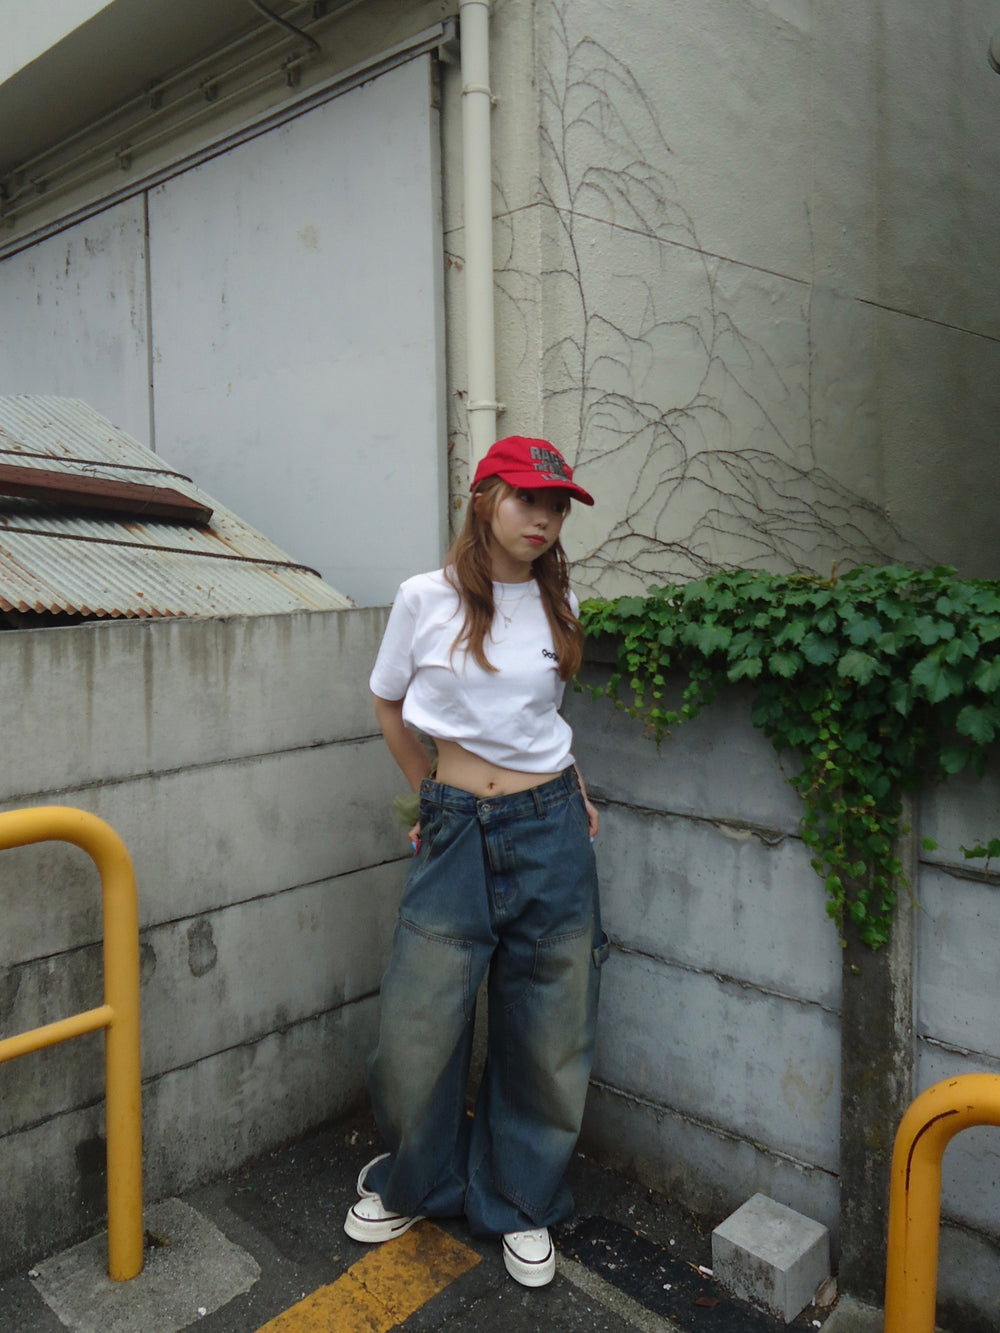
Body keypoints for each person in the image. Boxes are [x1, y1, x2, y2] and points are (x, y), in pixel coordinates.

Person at [344, 436, 608, 1288]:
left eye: (557, 506)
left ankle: (520, 1197)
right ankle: (419, 1180)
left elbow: (539, 721)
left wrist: (574, 788)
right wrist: (428, 795)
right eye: (528, 499)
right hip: (456, 825)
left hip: (550, 828)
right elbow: (388, 702)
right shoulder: (424, 597)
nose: (544, 519)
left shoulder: (561, 601)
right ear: (485, 497)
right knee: (416, 1025)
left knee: (549, 1025)